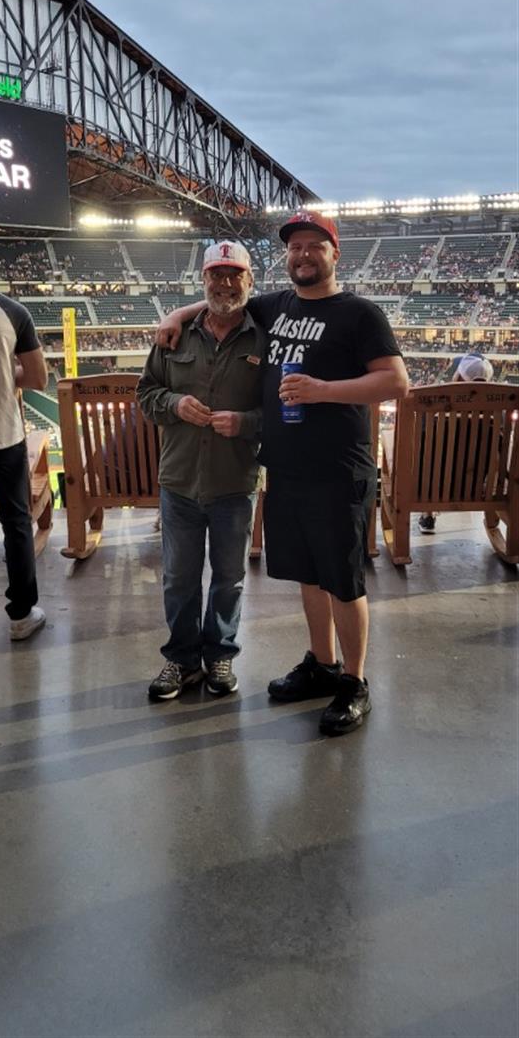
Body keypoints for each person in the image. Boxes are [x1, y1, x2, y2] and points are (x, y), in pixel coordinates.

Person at [155, 211, 409, 735]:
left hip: (339, 470)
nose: (303, 255)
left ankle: (355, 682)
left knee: (343, 581)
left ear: (334, 254)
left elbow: (396, 382)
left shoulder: (360, 313)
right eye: (295, 248)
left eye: (315, 246)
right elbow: (223, 299)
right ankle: (321, 662)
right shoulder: (277, 306)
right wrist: (176, 315)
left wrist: (323, 391)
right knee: (309, 576)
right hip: (286, 469)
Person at [137, 240, 265, 701]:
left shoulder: (264, 337)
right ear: (204, 280)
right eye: (216, 274)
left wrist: (246, 422)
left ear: (249, 281)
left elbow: (281, 407)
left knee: (228, 578)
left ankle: (220, 654)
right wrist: (174, 403)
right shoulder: (174, 336)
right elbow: (146, 394)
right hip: (179, 480)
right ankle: (182, 659)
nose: (225, 283)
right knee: (178, 578)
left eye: (234, 275)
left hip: (235, 481)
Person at [0, 226, 48, 652]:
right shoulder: (10, 310)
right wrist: (5, 376)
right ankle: (21, 615)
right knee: (16, 524)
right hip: (2, 434)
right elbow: (36, 377)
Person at [418, 352, 495, 534]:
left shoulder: (435, 415)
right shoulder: (494, 420)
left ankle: (428, 515)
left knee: (429, 458)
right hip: (476, 488)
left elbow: (418, 451)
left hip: (431, 489)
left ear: (459, 377)